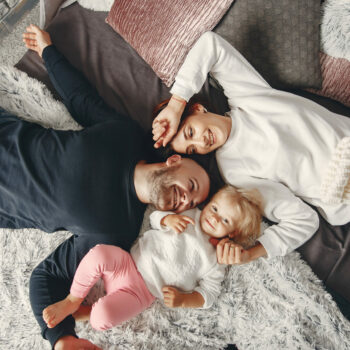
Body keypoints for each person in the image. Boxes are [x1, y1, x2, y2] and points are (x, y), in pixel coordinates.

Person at [16, 25, 210, 350]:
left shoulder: (117, 234)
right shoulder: (128, 135)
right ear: (174, 160)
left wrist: (62, 339)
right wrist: (49, 52)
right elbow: (81, 100)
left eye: (190, 201)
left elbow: (46, 277)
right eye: (191, 184)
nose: (186, 198)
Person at [152, 31, 350, 266]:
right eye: (193, 150)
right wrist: (251, 253)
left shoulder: (247, 96)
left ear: (197, 109)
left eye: (190, 133)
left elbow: (210, 45)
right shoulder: (235, 173)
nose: (201, 143)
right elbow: (303, 220)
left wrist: (175, 106)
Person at [41, 185, 262, 334]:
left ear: (232, 234)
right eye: (214, 208)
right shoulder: (190, 214)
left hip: (142, 293)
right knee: (100, 253)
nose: (214, 217)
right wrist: (168, 220)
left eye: (224, 219)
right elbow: (153, 218)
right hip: (128, 263)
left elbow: (210, 294)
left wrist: (185, 300)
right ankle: (73, 299)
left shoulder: (216, 259)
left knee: (102, 319)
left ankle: (88, 313)